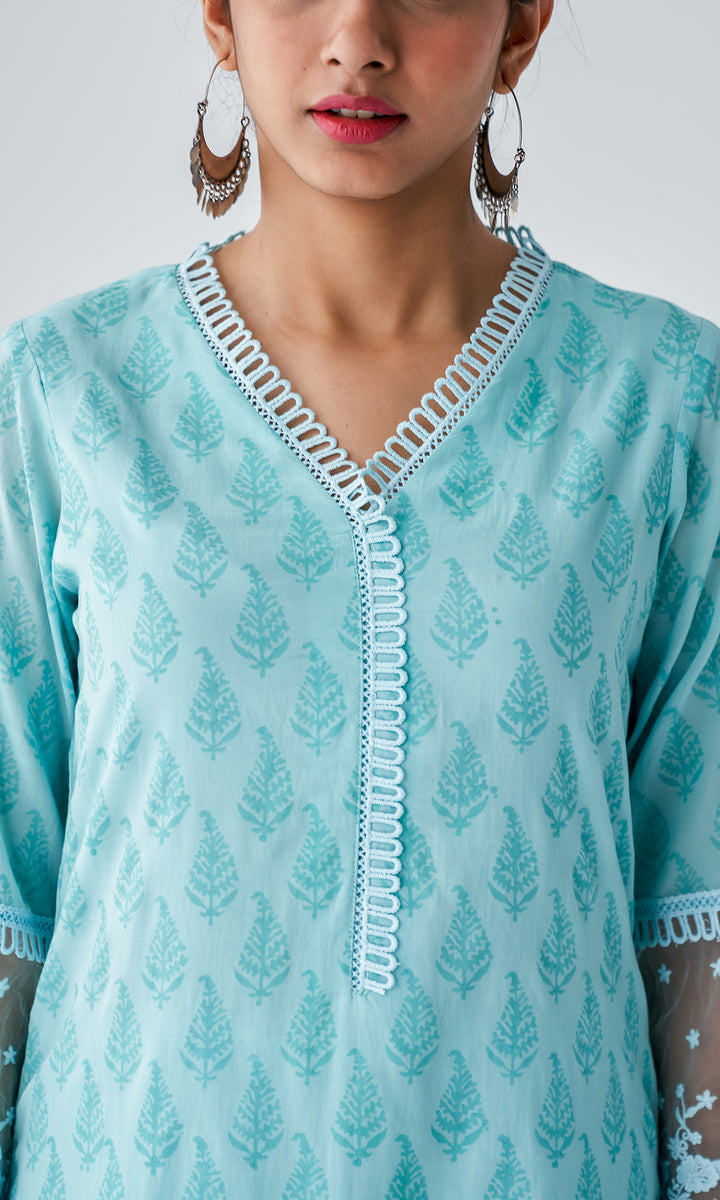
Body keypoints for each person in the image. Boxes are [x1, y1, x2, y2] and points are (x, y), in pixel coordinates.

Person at [0, 0, 719, 1195]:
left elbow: (698, 904)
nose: (358, 38)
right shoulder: (62, 395)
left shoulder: (666, 404)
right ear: (220, 14)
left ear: (522, 25)